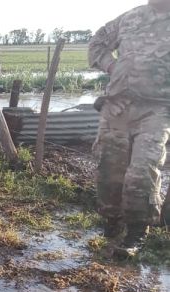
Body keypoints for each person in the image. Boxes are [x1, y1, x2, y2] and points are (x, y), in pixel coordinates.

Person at [88, 0, 170, 257]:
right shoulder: (130, 17)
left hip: (157, 108)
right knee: (109, 167)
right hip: (118, 104)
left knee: (143, 170)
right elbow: (97, 43)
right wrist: (112, 66)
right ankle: (112, 222)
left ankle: (136, 233)